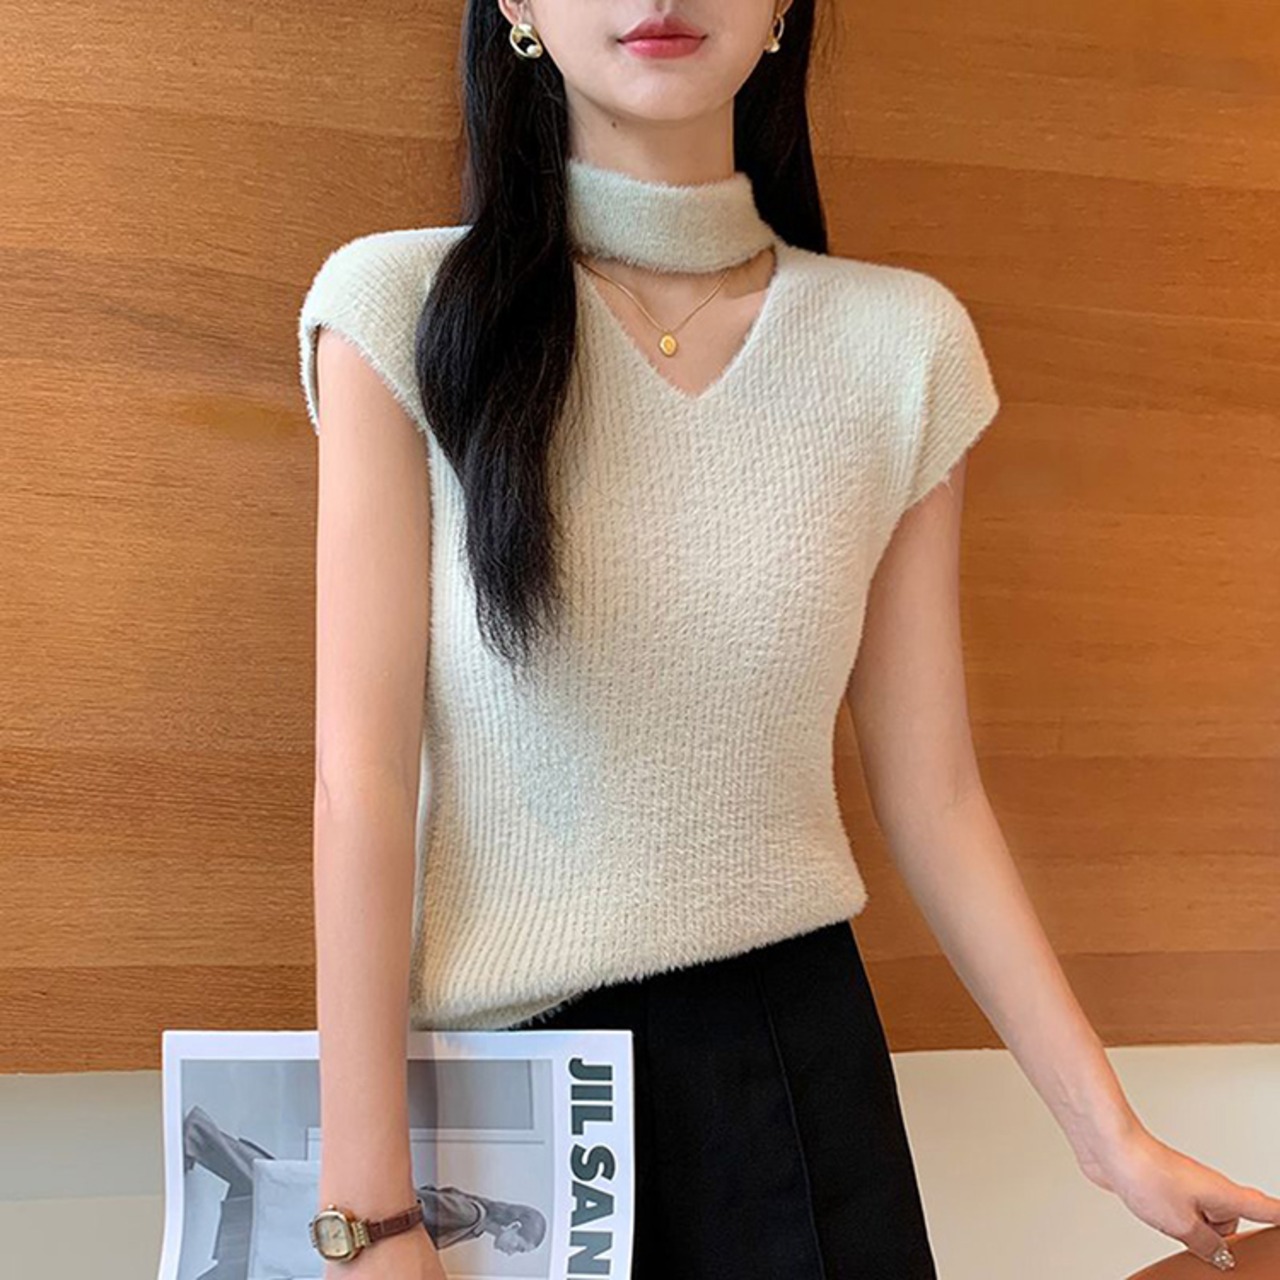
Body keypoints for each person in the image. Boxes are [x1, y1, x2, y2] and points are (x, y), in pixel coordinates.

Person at [298, 3, 1280, 1277]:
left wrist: (1112, 1138)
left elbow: (934, 795)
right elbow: (360, 782)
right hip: (506, 1103)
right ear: (518, 7)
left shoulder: (900, 346)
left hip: (797, 1072)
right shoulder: (397, 310)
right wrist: (368, 1213)